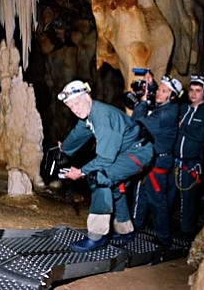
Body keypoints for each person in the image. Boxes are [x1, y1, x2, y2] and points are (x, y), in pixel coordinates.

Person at [57, 80, 154, 252]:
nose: (75, 109)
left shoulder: (101, 116)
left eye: (77, 103)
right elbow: (79, 133)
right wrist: (64, 148)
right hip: (127, 152)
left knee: (99, 178)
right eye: (71, 106)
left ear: (87, 97)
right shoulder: (89, 114)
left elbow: (104, 160)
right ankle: (125, 231)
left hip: (137, 153)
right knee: (115, 187)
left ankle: (97, 236)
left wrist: (81, 171)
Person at [131, 73, 183, 247]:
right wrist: (151, 85)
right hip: (154, 159)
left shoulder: (165, 115)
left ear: (173, 96)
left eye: (163, 91)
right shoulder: (167, 107)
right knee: (145, 196)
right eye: (159, 90)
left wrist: (143, 102)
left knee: (156, 201)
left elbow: (136, 124)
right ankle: (136, 226)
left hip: (158, 163)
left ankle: (164, 238)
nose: (158, 94)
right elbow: (158, 96)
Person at [168, 74, 204, 239]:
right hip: (174, 161)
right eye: (191, 90)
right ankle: (164, 229)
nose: (193, 94)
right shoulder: (183, 109)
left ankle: (186, 233)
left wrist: (182, 128)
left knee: (189, 200)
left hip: (191, 164)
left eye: (198, 90)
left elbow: (203, 136)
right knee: (168, 197)